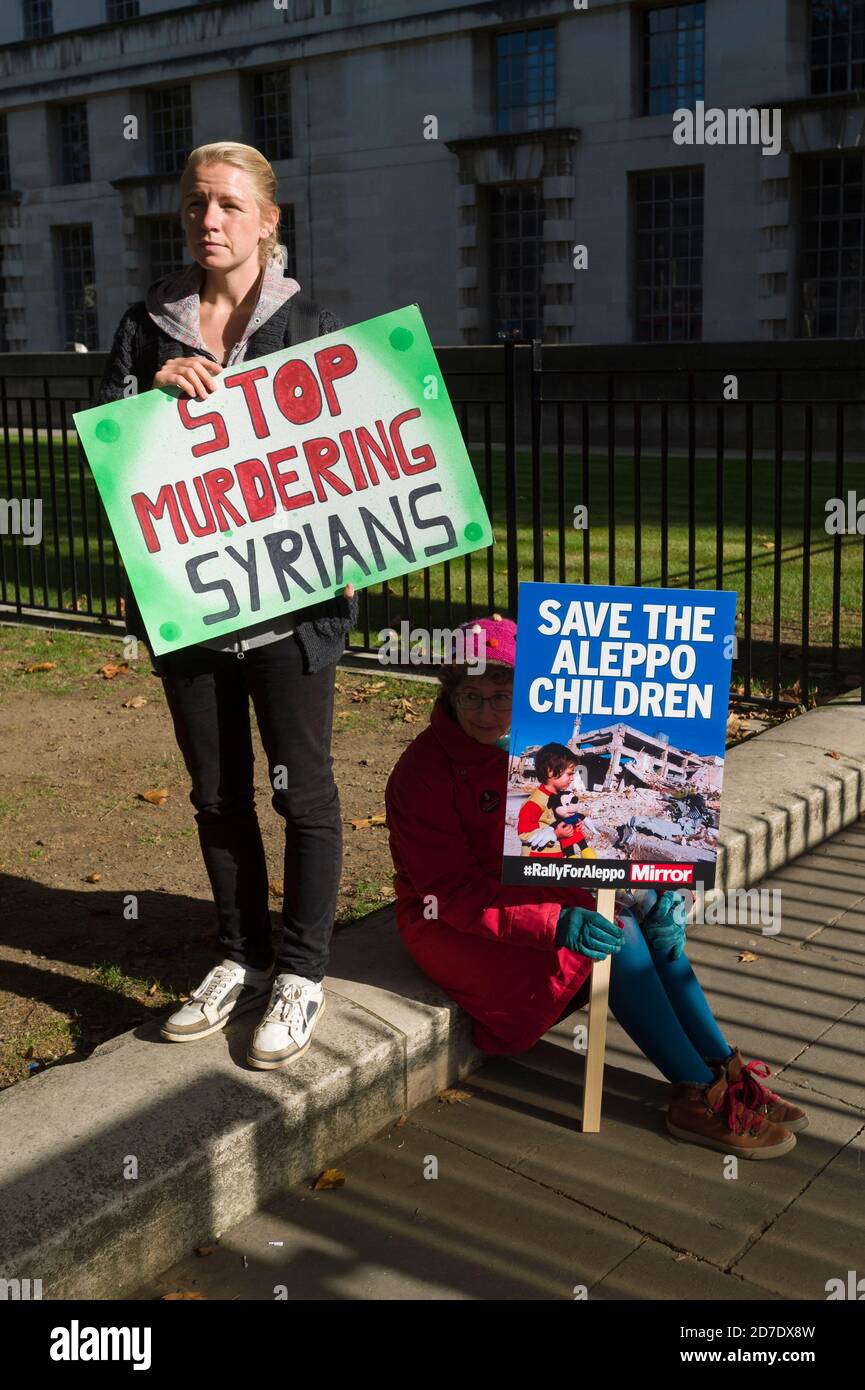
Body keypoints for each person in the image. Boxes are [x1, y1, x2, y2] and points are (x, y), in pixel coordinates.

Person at [95, 141, 357, 1069]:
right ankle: (238, 957)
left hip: (292, 610)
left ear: (268, 221)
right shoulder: (145, 328)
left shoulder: (315, 324)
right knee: (216, 794)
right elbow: (110, 452)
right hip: (192, 606)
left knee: (305, 792)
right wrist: (148, 396)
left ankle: (301, 974)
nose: (211, 220)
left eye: (230, 206)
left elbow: (353, 458)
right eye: (198, 204)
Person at [384, 613, 808, 1158]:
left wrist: (665, 890)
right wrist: (556, 921)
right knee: (617, 934)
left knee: (646, 916)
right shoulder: (422, 772)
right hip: (455, 919)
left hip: (528, 890)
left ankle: (719, 1064)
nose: (488, 712)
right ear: (449, 694)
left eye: (502, 694)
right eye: (472, 696)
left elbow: (578, 843)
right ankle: (694, 1095)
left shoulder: (536, 754)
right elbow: (448, 893)